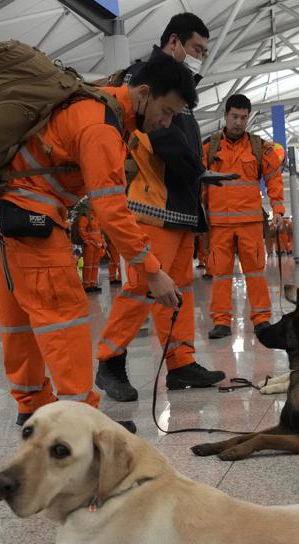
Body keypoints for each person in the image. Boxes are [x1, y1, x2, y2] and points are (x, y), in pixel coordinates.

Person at [0, 56, 192, 425]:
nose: (165, 123)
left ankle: (32, 403)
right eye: (165, 111)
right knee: (63, 312)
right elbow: (111, 210)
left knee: (20, 315)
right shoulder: (101, 127)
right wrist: (152, 270)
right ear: (143, 94)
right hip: (29, 212)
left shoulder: (98, 104)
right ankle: (82, 421)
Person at [95, 12, 225, 401]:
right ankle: (109, 361)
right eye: (196, 48)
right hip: (154, 203)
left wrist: (197, 173)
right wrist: (198, 169)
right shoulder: (148, 79)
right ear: (173, 42)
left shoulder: (180, 88)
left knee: (179, 288)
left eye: (204, 50)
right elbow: (162, 138)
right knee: (142, 287)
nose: (200, 56)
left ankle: (181, 363)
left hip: (180, 204)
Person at [202, 93, 285, 339]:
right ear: (225, 115)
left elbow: (274, 180)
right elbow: (197, 182)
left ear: (248, 118)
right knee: (220, 274)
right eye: (234, 116)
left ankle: (261, 319)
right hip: (219, 224)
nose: (238, 122)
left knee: (256, 272)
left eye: (243, 117)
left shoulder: (260, 148)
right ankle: (221, 322)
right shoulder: (209, 148)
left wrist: (278, 210)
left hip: (250, 223)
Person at [77, 207, 104, 292]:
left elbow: (101, 231)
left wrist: (102, 242)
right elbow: (81, 230)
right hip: (90, 244)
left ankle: (93, 284)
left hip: (98, 245)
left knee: (95, 265)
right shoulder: (86, 216)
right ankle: (86, 285)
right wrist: (87, 241)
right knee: (88, 265)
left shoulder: (98, 216)